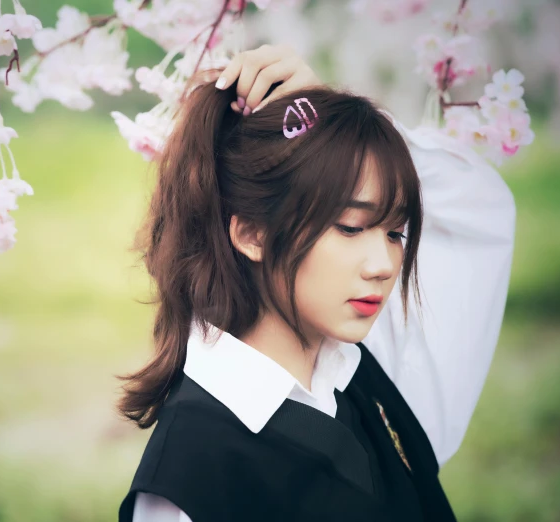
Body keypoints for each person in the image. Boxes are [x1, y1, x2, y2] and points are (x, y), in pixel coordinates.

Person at [116, 44, 515, 522]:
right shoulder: (193, 469)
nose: (383, 265)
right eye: (349, 227)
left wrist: (337, 126)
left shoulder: (358, 375)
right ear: (252, 233)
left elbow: (481, 206)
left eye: (395, 233)